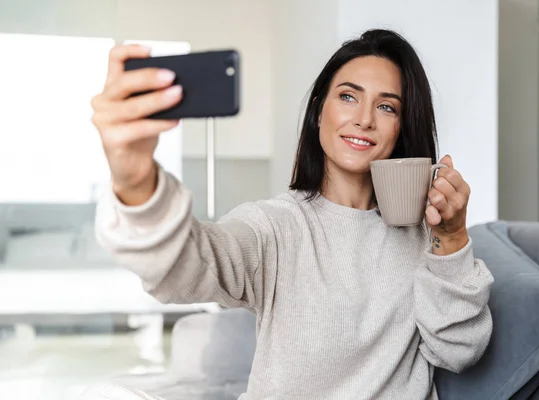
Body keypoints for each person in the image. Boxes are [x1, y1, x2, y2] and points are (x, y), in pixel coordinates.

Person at [86, 29, 493, 400]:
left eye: (387, 107)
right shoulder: (275, 227)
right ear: (319, 111)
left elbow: (459, 351)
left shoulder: (426, 237)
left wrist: (453, 238)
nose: (364, 119)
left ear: (402, 128)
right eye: (348, 96)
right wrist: (138, 185)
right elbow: (184, 270)